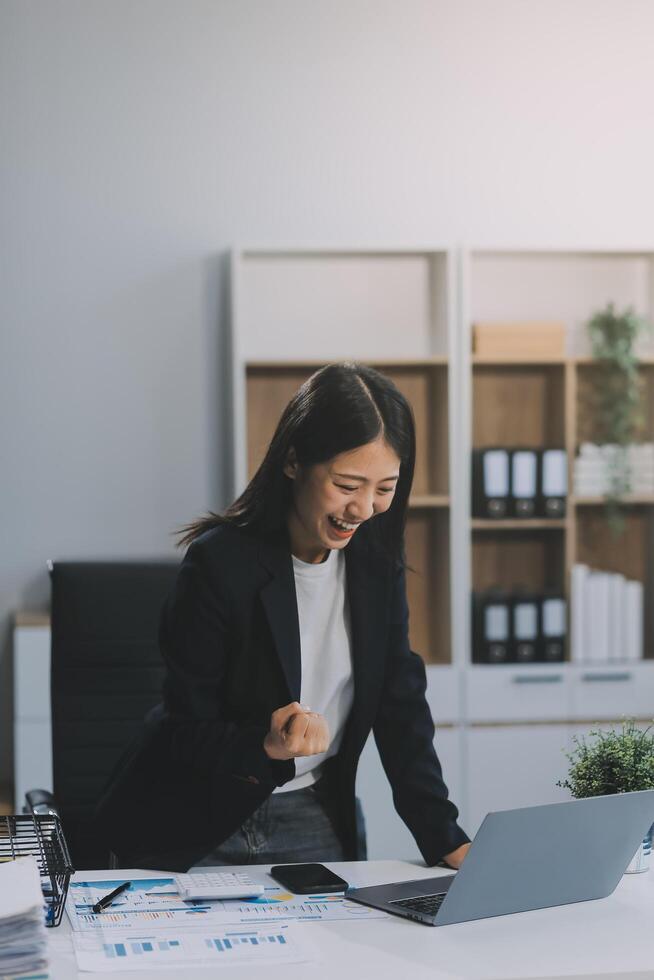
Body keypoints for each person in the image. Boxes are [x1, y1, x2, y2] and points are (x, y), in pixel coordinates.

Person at [96, 362, 470, 871]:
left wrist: (444, 838)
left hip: (311, 815)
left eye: (384, 488)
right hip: (197, 823)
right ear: (294, 462)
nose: (363, 508)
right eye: (347, 484)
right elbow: (182, 728)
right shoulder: (218, 564)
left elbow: (400, 708)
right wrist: (264, 744)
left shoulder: (376, 564)